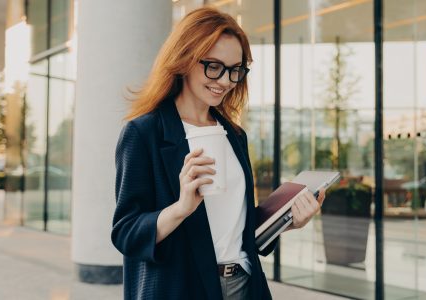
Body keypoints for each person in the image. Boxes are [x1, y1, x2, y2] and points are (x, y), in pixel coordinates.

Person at [111, 7, 325, 300]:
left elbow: (237, 228)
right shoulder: (143, 133)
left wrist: (287, 220)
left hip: (244, 286)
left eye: (235, 70)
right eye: (214, 66)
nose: (225, 80)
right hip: (178, 288)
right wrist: (181, 207)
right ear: (184, 59)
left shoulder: (234, 135)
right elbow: (126, 234)